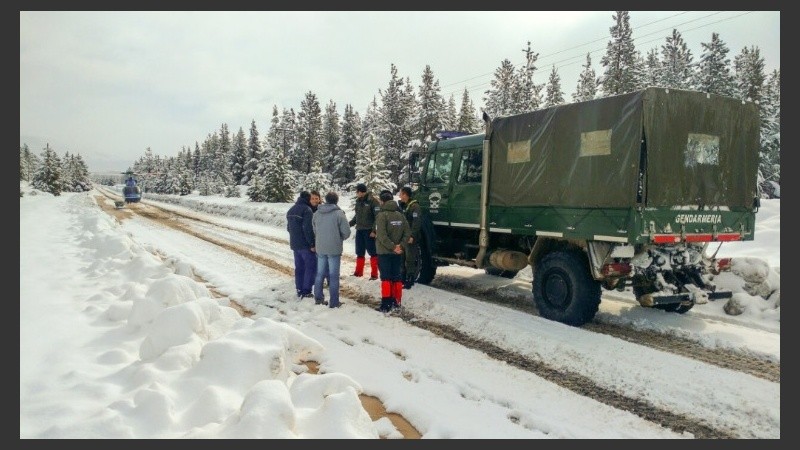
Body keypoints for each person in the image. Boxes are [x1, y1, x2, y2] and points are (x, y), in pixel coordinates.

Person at [312, 191, 351, 308]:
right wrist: (339, 238)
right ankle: (334, 302)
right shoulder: (339, 214)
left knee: (319, 273)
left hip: (320, 246)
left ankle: (318, 298)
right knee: (333, 275)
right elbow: (347, 232)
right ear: (336, 201)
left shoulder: (317, 213)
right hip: (334, 248)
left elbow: (314, 229)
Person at [374, 190, 410, 312]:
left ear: (382, 201)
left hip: (385, 252)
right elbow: (407, 233)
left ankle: (386, 304)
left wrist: (392, 246)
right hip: (398, 252)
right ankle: (397, 301)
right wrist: (401, 246)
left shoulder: (381, 216)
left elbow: (381, 235)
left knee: (386, 277)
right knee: (396, 277)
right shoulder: (401, 215)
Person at [286, 191, 316, 298]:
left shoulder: (291, 210)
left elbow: (288, 228)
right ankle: (306, 290)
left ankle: (299, 289)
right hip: (305, 245)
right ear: (308, 199)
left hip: (295, 244)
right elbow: (307, 229)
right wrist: (312, 243)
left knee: (299, 268)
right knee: (310, 267)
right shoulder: (307, 210)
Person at [348, 183, 381, 280]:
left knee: (373, 252)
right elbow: (357, 216)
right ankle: (358, 272)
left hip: (369, 231)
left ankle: (374, 274)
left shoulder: (373, 201)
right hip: (360, 230)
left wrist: (374, 230)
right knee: (359, 251)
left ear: (361, 192)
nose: (356, 193)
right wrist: (350, 223)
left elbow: (377, 217)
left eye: (357, 191)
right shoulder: (358, 201)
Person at [398, 186, 422, 289]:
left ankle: (410, 279)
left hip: (410, 237)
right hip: (403, 237)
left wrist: (412, 236)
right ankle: (402, 277)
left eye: (401, 194)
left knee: (410, 258)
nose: (400, 196)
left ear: (405, 195)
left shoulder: (414, 207)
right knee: (402, 258)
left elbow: (416, 223)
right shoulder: (404, 206)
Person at [310, 190, 328, 286]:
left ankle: (325, 278)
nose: (314, 200)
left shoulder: (323, 208)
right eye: (312, 198)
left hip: (322, 237)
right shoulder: (307, 208)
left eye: (316, 198)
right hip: (311, 236)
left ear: (320, 199)